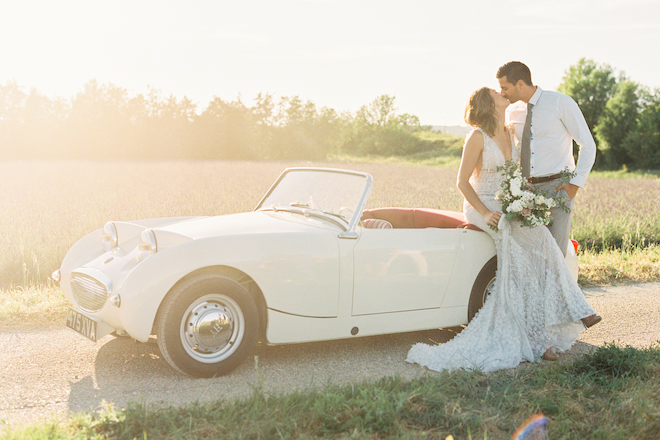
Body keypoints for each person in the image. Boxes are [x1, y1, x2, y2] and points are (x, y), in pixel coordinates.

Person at [406, 87, 601, 373]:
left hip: (510, 202)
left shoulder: (511, 131)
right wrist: (485, 212)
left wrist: (525, 201)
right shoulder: (476, 137)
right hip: (482, 204)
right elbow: (462, 182)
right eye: (496, 92)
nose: (502, 93)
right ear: (488, 103)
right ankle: (542, 337)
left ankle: (567, 317)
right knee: (520, 257)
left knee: (544, 243)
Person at [496, 61, 596, 256]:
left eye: (504, 88)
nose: (502, 93)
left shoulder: (560, 102)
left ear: (520, 84)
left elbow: (588, 145)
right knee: (529, 254)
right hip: (525, 193)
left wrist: (575, 185)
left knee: (555, 255)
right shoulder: (512, 112)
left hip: (558, 188)